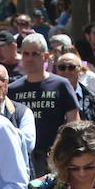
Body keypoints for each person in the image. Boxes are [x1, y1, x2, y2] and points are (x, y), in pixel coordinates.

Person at [7, 33, 80, 171]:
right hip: (23, 158)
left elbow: (74, 122)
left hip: (55, 157)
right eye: (26, 54)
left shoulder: (61, 85)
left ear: (46, 57)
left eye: (35, 54)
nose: (29, 59)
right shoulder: (13, 90)